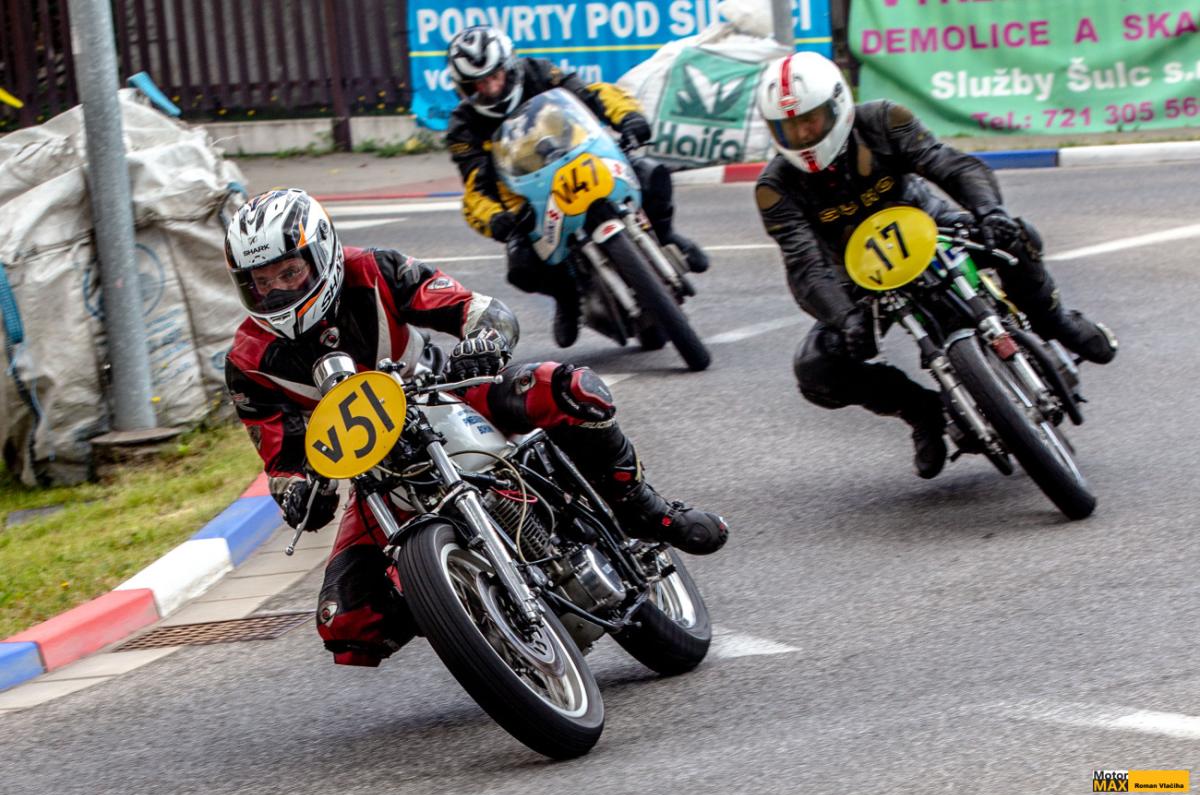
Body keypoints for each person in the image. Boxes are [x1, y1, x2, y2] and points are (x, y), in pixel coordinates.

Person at [222, 188, 728, 668]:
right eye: (261, 282)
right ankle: (466, 602)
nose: (277, 290)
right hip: (376, 474)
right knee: (346, 624)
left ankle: (644, 507)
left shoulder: (374, 269)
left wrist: (484, 340)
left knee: (571, 389)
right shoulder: (247, 361)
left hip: (447, 394)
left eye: (289, 272)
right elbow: (281, 457)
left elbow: (479, 310)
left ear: (322, 254)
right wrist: (298, 491)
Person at [753, 53, 1117, 480]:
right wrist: (844, 317)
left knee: (1016, 236)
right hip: (858, 275)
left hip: (932, 225)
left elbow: (951, 165)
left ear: (837, 106)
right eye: (789, 127)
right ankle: (921, 412)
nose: (802, 134)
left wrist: (989, 211)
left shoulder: (884, 120)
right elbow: (804, 266)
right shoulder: (774, 188)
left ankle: (1056, 321)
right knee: (815, 369)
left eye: (810, 120)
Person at [444, 25, 710, 348]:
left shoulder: (539, 72)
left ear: (509, 68)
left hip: (583, 158)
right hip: (527, 198)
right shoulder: (462, 126)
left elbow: (591, 94)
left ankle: (666, 235)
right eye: (479, 84)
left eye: (495, 76)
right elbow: (476, 187)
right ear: (464, 88)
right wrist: (496, 218)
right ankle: (566, 297)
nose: (490, 88)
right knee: (521, 264)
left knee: (650, 174)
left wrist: (628, 117)